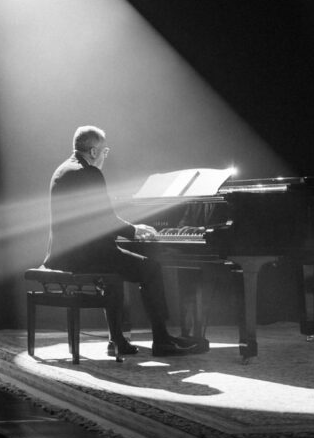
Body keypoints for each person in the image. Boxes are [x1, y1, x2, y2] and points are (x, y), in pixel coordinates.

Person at [45, 126, 206, 357]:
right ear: (93, 151)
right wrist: (135, 230)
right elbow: (105, 219)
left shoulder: (63, 170)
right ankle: (162, 340)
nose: (105, 156)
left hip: (65, 254)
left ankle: (117, 340)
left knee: (117, 269)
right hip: (83, 256)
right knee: (151, 269)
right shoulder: (89, 172)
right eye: (104, 151)